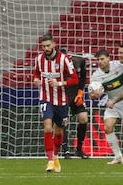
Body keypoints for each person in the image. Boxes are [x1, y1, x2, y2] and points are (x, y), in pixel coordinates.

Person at [33, 33, 79, 173]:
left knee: (59, 131)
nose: (46, 48)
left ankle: (56, 156)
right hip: (45, 97)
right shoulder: (39, 59)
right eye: (43, 46)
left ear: (54, 44)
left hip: (62, 100)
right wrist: (36, 80)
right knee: (47, 127)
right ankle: (50, 160)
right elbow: (36, 73)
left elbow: (75, 79)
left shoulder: (64, 59)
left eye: (48, 45)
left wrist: (59, 83)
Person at [60, 48, 89, 159]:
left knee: (83, 119)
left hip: (76, 95)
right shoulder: (55, 66)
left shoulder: (79, 61)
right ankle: (65, 150)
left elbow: (83, 78)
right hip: (63, 95)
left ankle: (79, 149)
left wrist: (80, 93)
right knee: (64, 122)